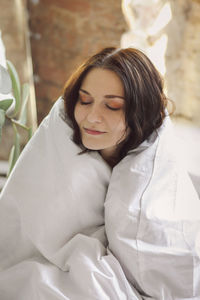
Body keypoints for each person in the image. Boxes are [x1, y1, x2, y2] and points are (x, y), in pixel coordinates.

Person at [0, 47, 199, 300]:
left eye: (113, 106)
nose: (92, 117)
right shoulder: (61, 132)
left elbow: (170, 270)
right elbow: (24, 222)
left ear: (141, 111)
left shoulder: (153, 170)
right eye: (85, 100)